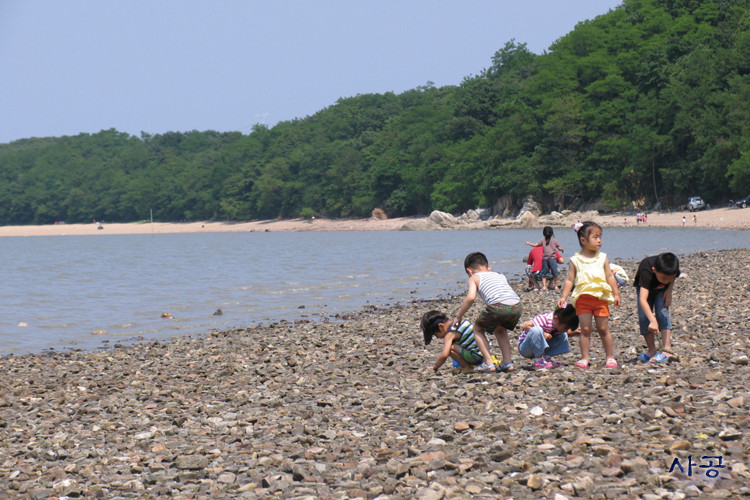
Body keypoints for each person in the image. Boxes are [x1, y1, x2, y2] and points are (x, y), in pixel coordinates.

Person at [557, 221, 621, 369]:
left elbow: (609, 276)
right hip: (583, 299)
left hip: (600, 298)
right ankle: (585, 358)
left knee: (603, 328)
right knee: (585, 330)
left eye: (600, 237)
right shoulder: (575, 260)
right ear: (583, 240)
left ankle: (610, 357)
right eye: (595, 237)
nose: (599, 240)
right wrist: (563, 297)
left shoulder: (602, 257)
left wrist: (616, 293)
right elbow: (569, 280)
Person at [454, 252, 521, 372]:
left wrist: (459, 316)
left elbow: (470, 298)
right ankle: (507, 362)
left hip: (498, 306)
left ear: (469, 271)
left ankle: (488, 363)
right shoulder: (500, 275)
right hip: (517, 305)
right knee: (500, 329)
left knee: (477, 329)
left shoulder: (474, 277)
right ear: (488, 267)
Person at [634, 253, 680, 363]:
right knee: (644, 317)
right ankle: (652, 350)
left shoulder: (672, 270)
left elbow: (673, 277)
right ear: (654, 270)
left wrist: (669, 290)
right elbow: (643, 300)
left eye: (669, 278)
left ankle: (666, 349)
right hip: (646, 289)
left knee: (662, 312)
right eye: (663, 278)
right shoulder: (647, 270)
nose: (666, 281)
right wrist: (652, 320)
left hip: (662, 290)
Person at [518, 304, 580, 369]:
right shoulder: (545, 319)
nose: (566, 330)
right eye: (566, 328)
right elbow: (525, 325)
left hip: (541, 349)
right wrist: (543, 333)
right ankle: (538, 361)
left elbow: (564, 332)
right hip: (526, 348)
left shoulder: (558, 324)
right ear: (556, 318)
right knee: (537, 330)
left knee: (563, 334)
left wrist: (574, 333)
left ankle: (546, 358)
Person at [525, 227, 564, 291]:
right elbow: (562, 261)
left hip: (538, 272)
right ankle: (553, 285)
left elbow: (535, 245)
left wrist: (529, 243)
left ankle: (541, 286)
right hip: (551, 265)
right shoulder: (554, 244)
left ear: (543, 234)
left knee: (542, 273)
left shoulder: (536, 247)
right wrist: (561, 249)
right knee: (555, 272)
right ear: (552, 233)